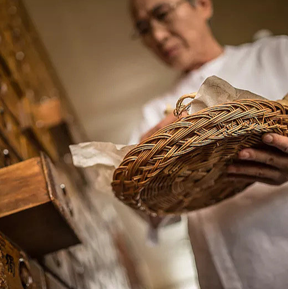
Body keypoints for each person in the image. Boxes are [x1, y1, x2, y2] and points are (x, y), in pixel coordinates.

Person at [129, 0, 288, 288]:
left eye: (162, 14)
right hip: (219, 273)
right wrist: (146, 159)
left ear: (202, 4)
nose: (157, 36)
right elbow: (145, 206)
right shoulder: (153, 114)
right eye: (143, 29)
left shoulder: (277, 55)